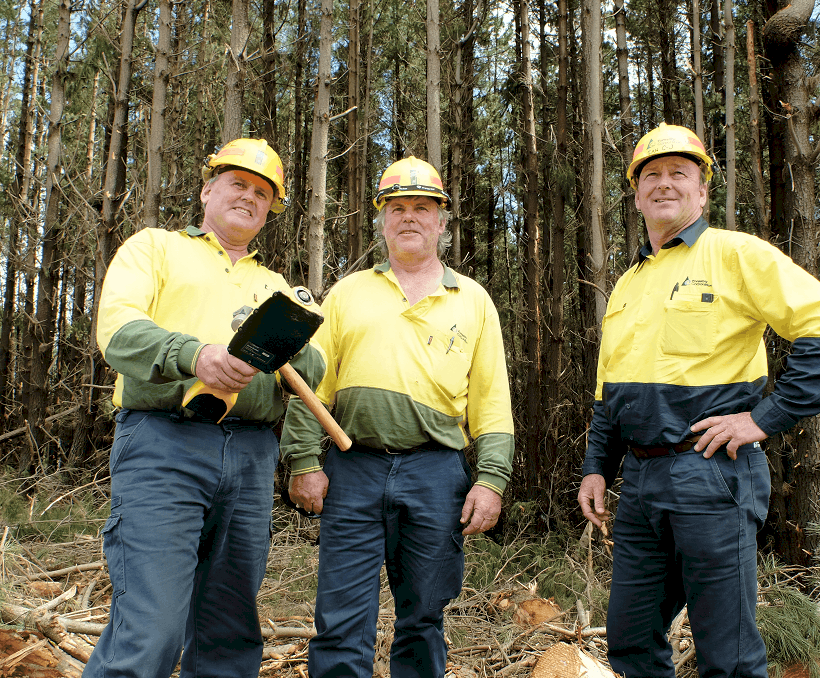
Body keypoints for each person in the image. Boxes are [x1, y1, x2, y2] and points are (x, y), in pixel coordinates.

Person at [577, 123, 820, 678]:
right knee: (632, 641)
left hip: (710, 475)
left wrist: (764, 418)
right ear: (636, 195)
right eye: (650, 175)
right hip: (637, 484)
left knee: (726, 654)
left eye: (679, 173)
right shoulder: (628, 284)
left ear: (702, 191)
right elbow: (610, 391)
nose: (664, 184)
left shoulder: (734, 254)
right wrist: (596, 468)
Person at [84, 138, 325, 678]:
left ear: (270, 211)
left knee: (228, 632)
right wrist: (195, 357)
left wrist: (288, 347)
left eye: (263, 193)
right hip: (163, 445)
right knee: (152, 628)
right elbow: (118, 332)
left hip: (252, 458)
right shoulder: (154, 248)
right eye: (238, 183)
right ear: (208, 189)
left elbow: (314, 370)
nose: (249, 197)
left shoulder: (276, 286)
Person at [280, 156, 515, 678]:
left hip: (436, 473)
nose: (410, 217)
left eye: (423, 209)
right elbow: (308, 382)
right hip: (353, 467)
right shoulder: (346, 294)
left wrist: (492, 479)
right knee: (341, 619)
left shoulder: (472, 300)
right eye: (398, 208)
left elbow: (492, 400)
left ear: (441, 222)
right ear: (382, 219)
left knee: (425, 616)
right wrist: (301, 460)